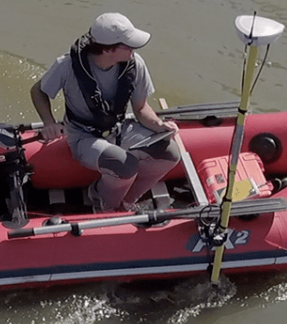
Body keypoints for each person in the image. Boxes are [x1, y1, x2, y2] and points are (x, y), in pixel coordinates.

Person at [30, 12, 181, 212]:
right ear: (108, 50)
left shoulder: (135, 65)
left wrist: (159, 125)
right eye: (128, 45)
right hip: (83, 136)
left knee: (170, 153)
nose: (134, 50)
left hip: (118, 129)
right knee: (124, 166)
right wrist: (49, 122)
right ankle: (103, 201)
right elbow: (38, 91)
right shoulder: (66, 66)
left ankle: (126, 200)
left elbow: (141, 108)